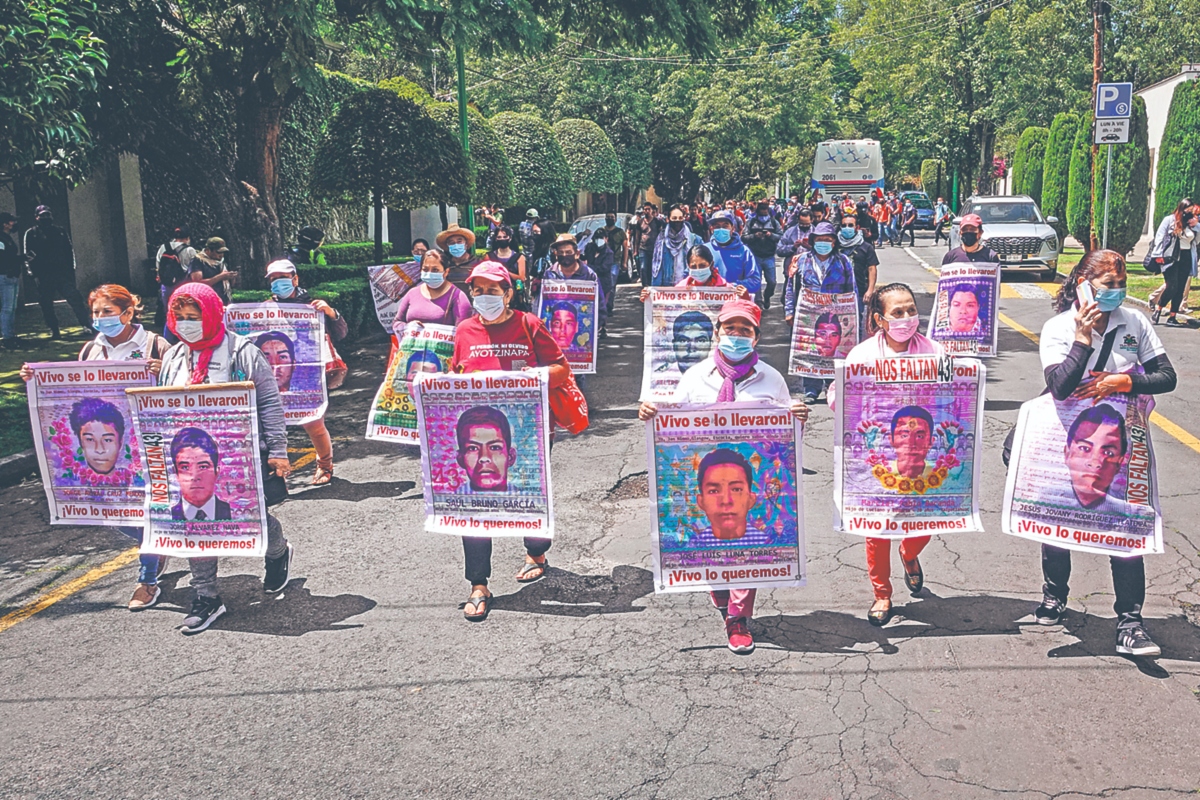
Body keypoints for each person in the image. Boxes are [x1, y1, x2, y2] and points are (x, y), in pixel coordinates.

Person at [638, 298, 809, 654]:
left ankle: (738, 617)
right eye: (730, 328)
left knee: (747, 546)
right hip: (708, 482)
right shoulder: (694, 377)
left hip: (748, 483)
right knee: (714, 555)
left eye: (744, 330)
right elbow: (674, 432)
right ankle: (719, 589)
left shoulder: (772, 379)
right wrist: (652, 414)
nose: (736, 335)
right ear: (717, 333)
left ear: (756, 338)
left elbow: (785, 446)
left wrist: (797, 419)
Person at [1035, 249, 1177, 657]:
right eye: (1106, 285)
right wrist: (1083, 337)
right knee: (1057, 519)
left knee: (1125, 527)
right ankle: (1054, 594)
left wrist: (1121, 381)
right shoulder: (1058, 328)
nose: (1115, 292)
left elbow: (1166, 376)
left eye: (1121, 285)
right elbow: (1060, 386)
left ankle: (1130, 623)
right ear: (1082, 284)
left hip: (1118, 445)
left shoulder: (1136, 323)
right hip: (1066, 438)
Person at [20, 284, 170, 611]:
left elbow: (180, 387)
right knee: (116, 514)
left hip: (149, 443)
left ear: (129, 312)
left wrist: (163, 373)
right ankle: (159, 544)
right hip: (110, 450)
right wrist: (34, 377)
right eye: (96, 312)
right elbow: (78, 392)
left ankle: (147, 581)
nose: (100, 318)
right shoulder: (91, 349)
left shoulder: (155, 344)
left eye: (107, 311)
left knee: (145, 509)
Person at [158, 282, 294, 634]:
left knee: (251, 517)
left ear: (213, 314)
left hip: (240, 455)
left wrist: (278, 451)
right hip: (187, 459)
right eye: (181, 317)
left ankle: (277, 551)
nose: (187, 324)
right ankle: (206, 596)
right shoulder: (174, 357)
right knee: (192, 521)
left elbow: (269, 402)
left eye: (194, 317)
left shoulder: (242, 353)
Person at [449, 261, 571, 621]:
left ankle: (536, 553)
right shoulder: (463, 331)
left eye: (493, 290)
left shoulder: (528, 324)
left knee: (529, 496)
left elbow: (562, 368)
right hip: (477, 437)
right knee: (474, 507)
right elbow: (455, 377)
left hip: (529, 432)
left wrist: (536, 375)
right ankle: (478, 584)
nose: (485, 296)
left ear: (508, 293)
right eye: (479, 290)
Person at [832, 283, 944, 626]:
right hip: (878, 460)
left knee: (923, 524)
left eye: (912, 310)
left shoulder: (936, 354)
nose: (908, 318)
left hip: (923, 459)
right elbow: (840, 402)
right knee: (877, 530)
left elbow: (953, 404)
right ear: (880, 319)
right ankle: (882, 594)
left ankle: (909, 555)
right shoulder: (862, 356)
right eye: (898, 312)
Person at [267, 258, 349, 485]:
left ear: (295, 279)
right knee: (271, 424)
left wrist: (332, 314)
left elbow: (341, 334)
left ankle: (325, 465)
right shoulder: (265, 308)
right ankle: (273, 472)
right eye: (273, 279)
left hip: (308, 375)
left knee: (313, 423)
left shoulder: (313, 305)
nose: (278, 283)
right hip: (275, 376)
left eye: (282, 278)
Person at [784, 221, 858, 402]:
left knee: (834, 349)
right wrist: (789, 310)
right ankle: (811, 389)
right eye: (819, 239)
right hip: (808, 314)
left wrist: (853, 312)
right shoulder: (801, 260)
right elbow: (790, 288)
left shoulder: (843, 261)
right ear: (813, 240)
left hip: (837, 316)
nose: (823, 243)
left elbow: (852, 289)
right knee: (810, 348)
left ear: (834, 242)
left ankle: (832, 387)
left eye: (827, 239)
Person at [22, 205, 93, 339]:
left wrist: (71, 271)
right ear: (36, 217)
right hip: (43, 275)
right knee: (46, 304)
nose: (45, 218)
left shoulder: (60, 231)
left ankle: (87, 325)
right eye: (42, 216)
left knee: (76, 299)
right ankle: (54, 330)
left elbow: (69, 251)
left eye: (47, 215)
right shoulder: (31, 233)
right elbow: (28, 255)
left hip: (62, 274)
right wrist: (32, 273)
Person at [1063, 404, 1128, 512]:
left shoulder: (1130, 511)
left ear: (1120, 463)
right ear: (1067, 454)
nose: (1095, 462)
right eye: (1084, 448)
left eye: (1108, 453)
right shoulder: (1042, 500)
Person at [392, 249, 473, 331]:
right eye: (425, 269)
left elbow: (463, 332)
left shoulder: (458, 297)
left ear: (446, 272)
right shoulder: (412, 293)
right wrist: (408, 326)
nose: (429, 273)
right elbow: (397, 322)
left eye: (435, 270)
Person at [541, 234, 606, 335]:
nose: (564, 255)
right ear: (556, 254)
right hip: (555, 333)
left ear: (577, 254)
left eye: (568, 252)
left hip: (584, 331)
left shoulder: (589, 275)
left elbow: (600, 303)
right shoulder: (549, 274)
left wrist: (596, 326)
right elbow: (543, 305)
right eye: (561, 252)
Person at [1147, 200, 1198, 326]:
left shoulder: (1192, 223)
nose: (1189, 213)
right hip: (1171, 257)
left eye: (1191, 211)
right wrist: (1158, 255)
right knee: (1171, 285)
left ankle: (1172, 316)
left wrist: (1196, 225)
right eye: (1187, 211)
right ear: (1181, 208)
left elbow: (1197, 241)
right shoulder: (1170, 220)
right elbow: (1159, 237)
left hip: (1186, 257)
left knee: (1180, 288)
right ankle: (1158, 310)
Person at [169, 427, 233, 521]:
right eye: (185, 467)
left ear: (217, 471)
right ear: (175, 473)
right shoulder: (166, 516)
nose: (194, 476)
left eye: (203, 467)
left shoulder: (235, 513)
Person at [455, 406, 516, 492]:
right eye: (473, 448)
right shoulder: (447, 502)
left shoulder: (531, 501)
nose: (484, 457)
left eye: (495, 447)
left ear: (510, 457)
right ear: (460, 459)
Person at [837, 213, 879, 328]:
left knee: (855, 322)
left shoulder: (866, 247)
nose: (847, 228)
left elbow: (872, 268)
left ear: (857, 227)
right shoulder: (834, 245)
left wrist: (870, 290)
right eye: (844, 225)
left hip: (858, 291)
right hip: (837, 291)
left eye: (850, 225)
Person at [707, 211, 761, 300]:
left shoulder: (744, 251)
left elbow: (755, 281)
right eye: (717, 226)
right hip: (708, 303)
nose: (721, 229)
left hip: (735, 303)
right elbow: (689, 275)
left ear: (733, 228)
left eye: (725, 226)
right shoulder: (704, 250)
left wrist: (733, 286)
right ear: (711, 229)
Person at [651, 205, 708, 288]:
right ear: (668, 219)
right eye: (674, 218)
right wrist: (654, 291)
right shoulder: (661, 241)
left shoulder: (695, 240)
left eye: (680, 218)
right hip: (668, 289)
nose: (677, 221)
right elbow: (657, 268)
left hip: (690, 287)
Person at [154, 227, 196, 334]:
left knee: (169, 312)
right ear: (187, 238)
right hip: (183, 284)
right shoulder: (190, 250)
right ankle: (183, 334)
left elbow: (158, 265)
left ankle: (168, 335)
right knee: (184, 311)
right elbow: (193, 268)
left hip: (166, 285)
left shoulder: (163, 247)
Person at [743, 200, 783, 311]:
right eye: (762, 212)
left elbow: (781, 236)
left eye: (766, 212)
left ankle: (767, 296)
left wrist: (771, 235)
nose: (764, 215)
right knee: (756, 281)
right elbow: (744, 237)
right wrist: (754, 236)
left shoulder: (774, 223)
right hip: (755, 255)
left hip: (769, 256)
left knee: (772, 282)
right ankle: (758, 302)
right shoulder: (750, 223)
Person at [488, 225, 529, 312]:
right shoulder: (489, 256)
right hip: (494, 293)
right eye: (499, 237)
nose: (502, 239)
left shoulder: (519, 257)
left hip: (514, 295)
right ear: (496, 239)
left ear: (510, 238)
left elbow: (522, 278)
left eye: (505, 237)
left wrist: (504, 272)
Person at [582, 225, 616, 328]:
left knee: (602, 307)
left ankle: (602, 328)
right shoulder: (589, 248)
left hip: (604, 284)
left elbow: (603, 268)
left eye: (601, 238)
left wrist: (588, 266)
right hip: (590, 283)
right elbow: (579, 250)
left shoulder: (609, 253)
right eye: (597, 238)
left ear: (606, 239)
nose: (599, 241)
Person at [189, 237, 238, 304]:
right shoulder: (198, 260)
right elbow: (198, 283)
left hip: (223, 300)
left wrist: (231, 277)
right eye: (218, 252)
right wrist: (220, 277)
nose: (221, 255)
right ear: (208, 250)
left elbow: (230, 285)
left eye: (223, 252)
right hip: (207, 301)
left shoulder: (220, 262)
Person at [437, 224, 481, 291]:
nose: (456, 245)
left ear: (466, 244)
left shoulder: (477, 263)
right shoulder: (444, 264)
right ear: (448, 246)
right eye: (451, 242)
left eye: (459, 241)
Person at [0, 212, 21, 349]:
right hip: (5, 276)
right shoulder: (1, 239)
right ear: (5, 224)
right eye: (11, 221)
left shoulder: (7, 238)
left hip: (12, 276)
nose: (13, 224)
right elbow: (4, 258)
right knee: (7, 308)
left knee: (12, 307)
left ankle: (11, 335)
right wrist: (21, 258)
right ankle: (7, 337)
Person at [633, 203, 664, 287]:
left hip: (655, 249)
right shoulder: (640, 222)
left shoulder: (657, 222)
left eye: (648, 209)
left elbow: (661, 235)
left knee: (652, 268)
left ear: (651, 210)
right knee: (643, 268)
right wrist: (635, 250)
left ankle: (652, 285)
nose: (647, 211)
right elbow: (637, 237)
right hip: (643, 248)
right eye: (645, 209)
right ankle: (645, 285)